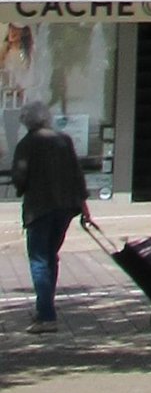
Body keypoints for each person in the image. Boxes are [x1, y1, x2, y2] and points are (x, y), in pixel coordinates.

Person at [10, 100, 90, 334]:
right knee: (50, 256)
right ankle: (45, 307)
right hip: (65, 207)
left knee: (39, 259)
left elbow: (20, 178)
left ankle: (46, 316)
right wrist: (84, 205)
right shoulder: (63, 140)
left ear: (26, 121)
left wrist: (22, 186)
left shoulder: (27, 144)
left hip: (40, 209)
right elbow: (77, 174)